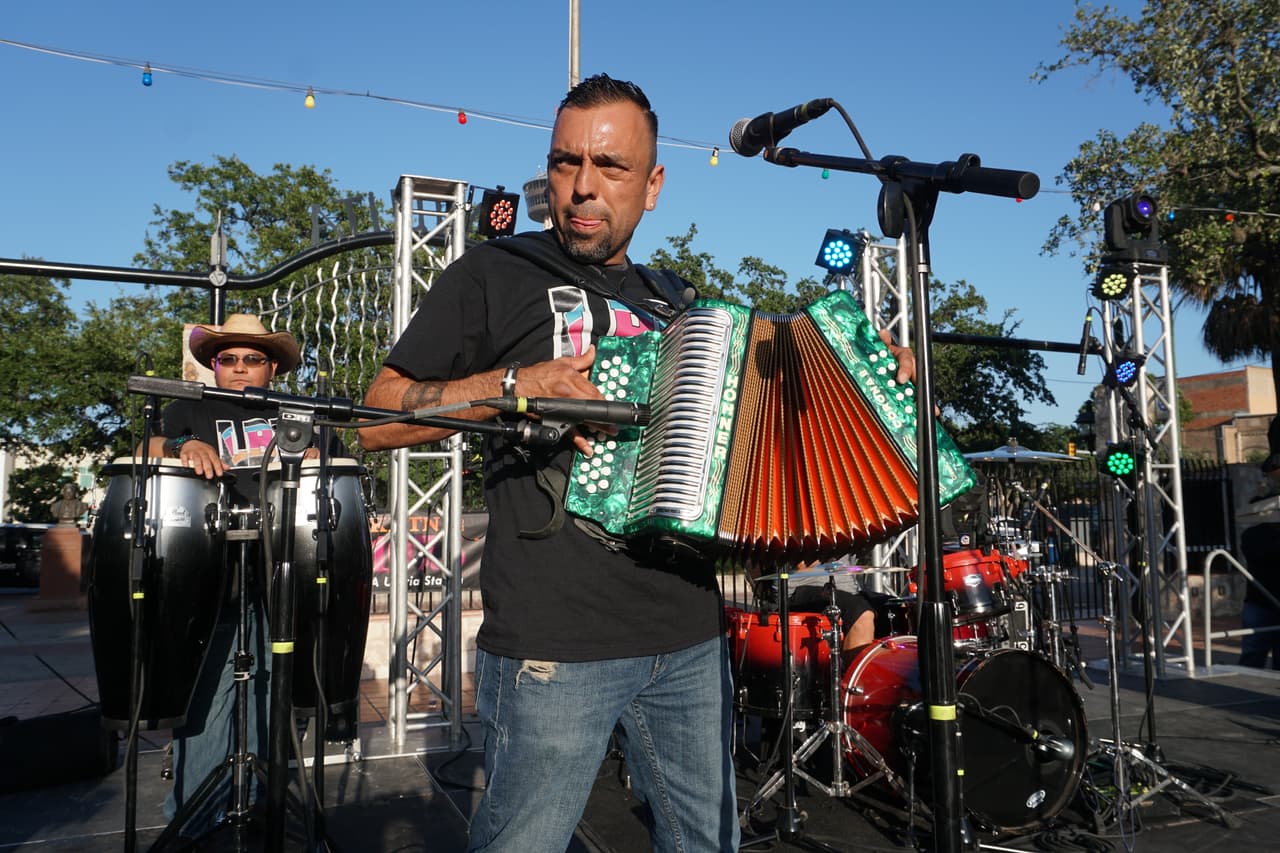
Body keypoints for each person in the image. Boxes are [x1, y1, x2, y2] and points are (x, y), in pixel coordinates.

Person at [360, 74, 917, 852]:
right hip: (554, 645)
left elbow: (765, 436)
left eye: (610, 167)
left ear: (652, 185)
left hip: (688, 634)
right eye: (565, 163)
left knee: (704, 844)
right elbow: (379, 416)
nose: (582, 186)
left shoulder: (679, 304)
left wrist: (866, 379)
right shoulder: (494, 272)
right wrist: (515, 388)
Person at [141, 313, 324, 835]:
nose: (239, 369)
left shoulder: (298, 412)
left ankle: (261, 807)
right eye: (228, 359)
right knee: (205, 699)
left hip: (280, 567)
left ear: (273, 368)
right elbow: (138, 448)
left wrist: (315, 456)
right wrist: (181, 446)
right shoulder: (189, 408)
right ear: (214, 366)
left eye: (252, 359)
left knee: (273, 690)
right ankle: (195, 820)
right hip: (209, 570)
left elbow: (335, 468)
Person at [1239, 414, 1280, 669]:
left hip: (1262, 598)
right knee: (1252, 656)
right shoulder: (1260, 507)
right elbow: (1250, 543)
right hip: (1260, 597)